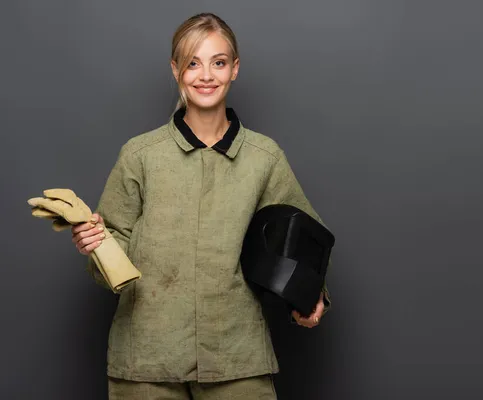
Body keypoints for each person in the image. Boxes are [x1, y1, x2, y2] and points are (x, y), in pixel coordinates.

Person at [70, 12, 331, 400]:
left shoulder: (264, 158)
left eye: (218, 62)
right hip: (146, 359)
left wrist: (312, 294)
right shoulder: (140, 155)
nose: (205, 75)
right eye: (193, 62)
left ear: (235, 69)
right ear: (176, 69)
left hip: (237, 356)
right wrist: (95, 243)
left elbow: (302, 232)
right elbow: (112, 248)